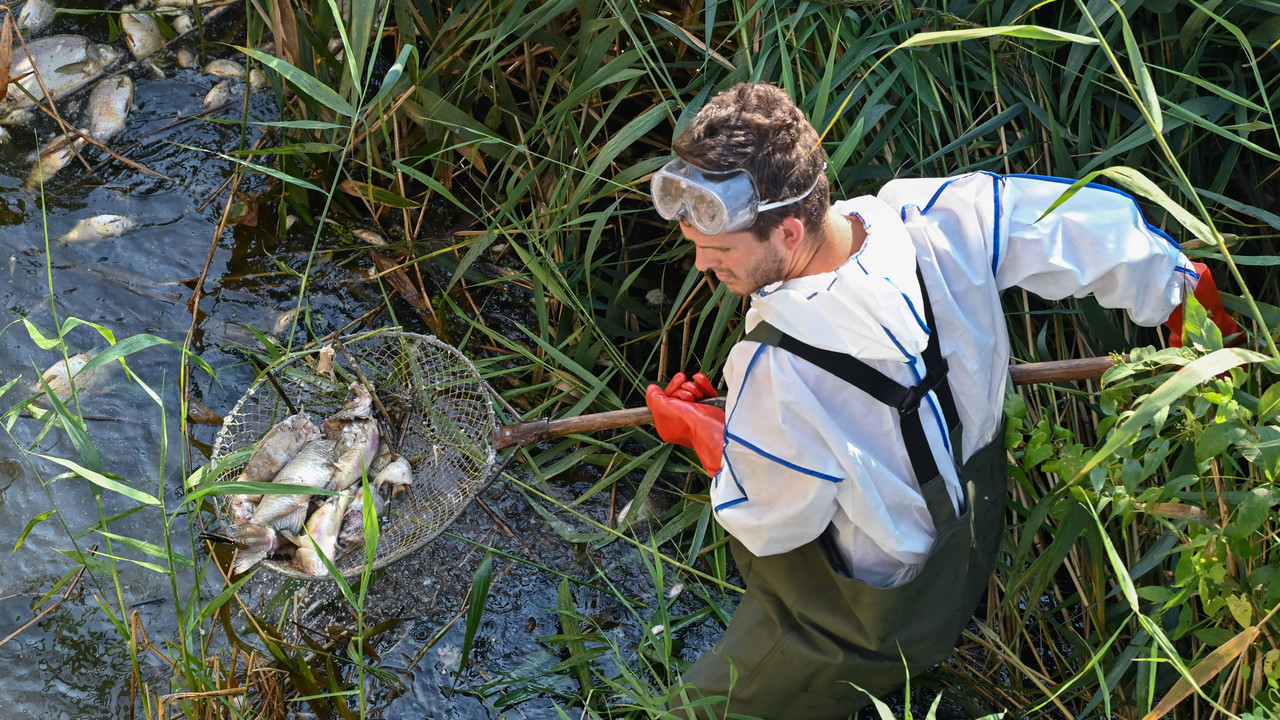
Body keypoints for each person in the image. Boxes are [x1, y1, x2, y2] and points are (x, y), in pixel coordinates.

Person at [642, 83, 1241, 719]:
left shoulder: (774, 368)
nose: (703, 264)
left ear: (788, 231)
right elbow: (1084, 227)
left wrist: (711, 435)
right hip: (973, 542)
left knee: (698, 711)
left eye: (720, 248)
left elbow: (770, 522)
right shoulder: (943, 217)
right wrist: (1188, 298)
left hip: (865, 613)